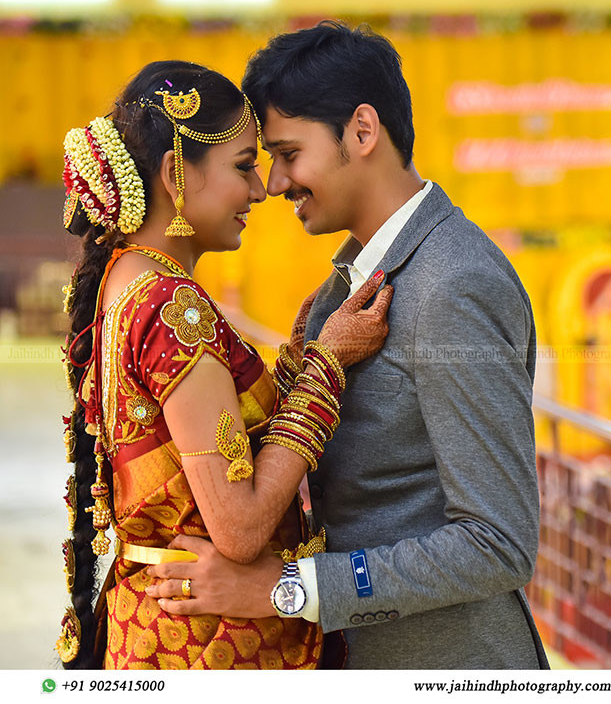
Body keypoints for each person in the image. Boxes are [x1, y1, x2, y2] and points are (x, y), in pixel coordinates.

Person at [147, 22, 549, 669]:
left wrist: (287, 590)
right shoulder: (346, 287)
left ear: (363, 132)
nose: (272, 184)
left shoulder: (454, 284)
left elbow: (497, 542)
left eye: (286, 153)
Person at [57, 60, 393, 669]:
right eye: (243, 166)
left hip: (158, 631)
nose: (262, 189)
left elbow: (209, 444)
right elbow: (238, 529)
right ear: (174, 175)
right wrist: (328, 369)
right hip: (209, 645)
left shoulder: (122, 278)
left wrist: (298, 358)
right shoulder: (169, 305)